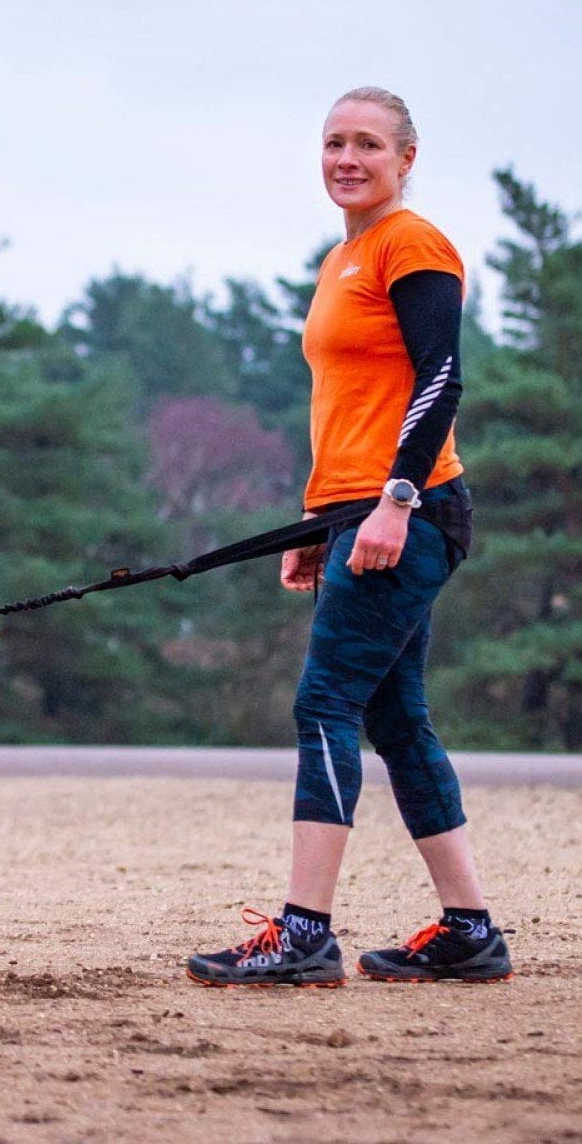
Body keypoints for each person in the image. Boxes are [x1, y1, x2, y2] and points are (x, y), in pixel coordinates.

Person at [187, 87, 512, 987]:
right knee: (395, 717)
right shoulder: (346, 257)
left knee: (324, 703)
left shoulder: (412, 243)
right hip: (352, 511)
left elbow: (441, 378)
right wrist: (314, 519)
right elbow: (348, 406)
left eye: (368, 143)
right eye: (333, 142)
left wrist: (395, 502)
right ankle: (471, 929)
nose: (347, 158)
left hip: (405, 510)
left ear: (407, 159)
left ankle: (304, 933)